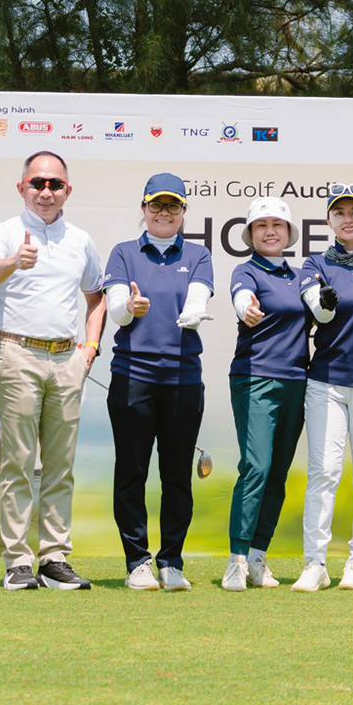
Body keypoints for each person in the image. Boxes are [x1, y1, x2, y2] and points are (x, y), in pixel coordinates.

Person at [0, 149, 106, 591]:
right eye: (38, 183)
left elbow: (96, 297)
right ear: (22, 188)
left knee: (60, 465)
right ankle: (18, 562)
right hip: (17, 352)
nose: (46, 191)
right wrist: (14, 261)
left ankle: (54, 559)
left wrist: (90, 348)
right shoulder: (4, 232)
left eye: (55, 184)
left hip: (67, 358)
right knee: (17, 462)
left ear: (68, 190)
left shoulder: (80, 240)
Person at [103, 173, 216, 591]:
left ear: (184, 210)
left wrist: (193, 313)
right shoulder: (124, 253)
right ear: (144, 208)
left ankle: (171, 561)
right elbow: (116, 309)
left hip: (183, 380)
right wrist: (130, 307)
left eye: (172, 206)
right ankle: (137, 561)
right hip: (133, 377)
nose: (164, 213)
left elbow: (199, 297)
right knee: (131, 473)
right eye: (156, 205)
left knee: (177, 476)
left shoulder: (199, 254)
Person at [292, 184, 353, 592]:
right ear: (329, 221)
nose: (348, 219)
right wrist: (325, 304)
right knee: (323, 473)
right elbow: (318, 309)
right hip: (326, 382)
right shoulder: (315, 263)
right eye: (340, 213)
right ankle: (315, 562)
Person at [222, 196, 309, 592]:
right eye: (261, 226)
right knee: (256, 466)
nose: (270, 231)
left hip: (296, 381)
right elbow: (242, 298)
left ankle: (258, 556)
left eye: (277, 225)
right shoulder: (246, 271)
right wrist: (246, 309)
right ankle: (237, 559)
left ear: (288, 232)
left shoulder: (301, 276)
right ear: (251, 235)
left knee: (277, 472)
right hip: (255, 378)